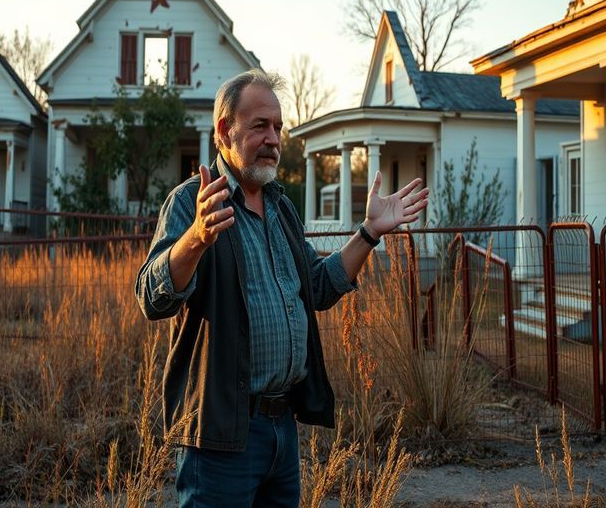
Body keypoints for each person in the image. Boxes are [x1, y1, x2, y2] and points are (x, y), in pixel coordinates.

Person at [135, 69, 428, 507]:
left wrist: (368, 232)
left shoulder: (280, 207)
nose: (273, 138)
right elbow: (150, 297)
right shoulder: (191, 203)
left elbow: (317, 286)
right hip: (221, 435)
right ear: (224, 131)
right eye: (259, 126)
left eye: (278, 127)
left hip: (282, 429)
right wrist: (196, 237)